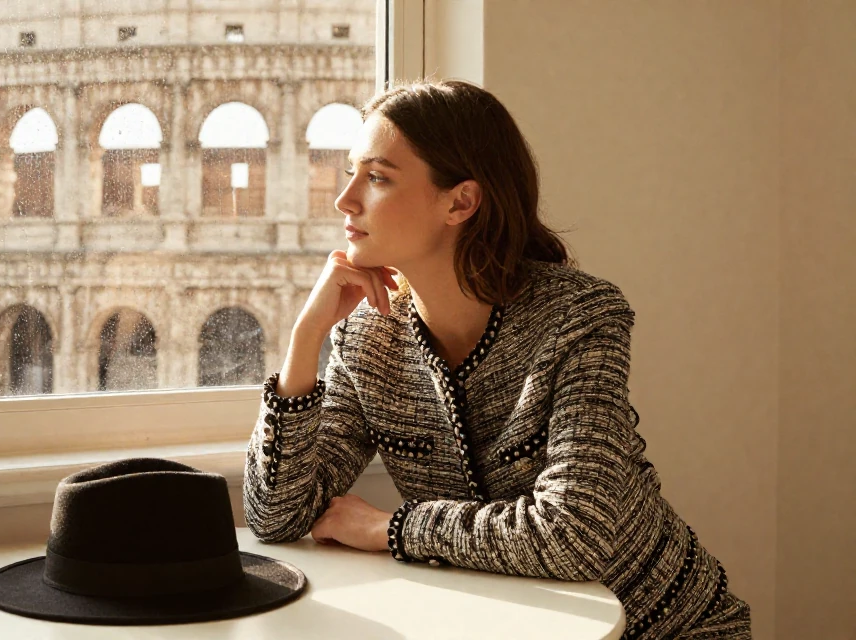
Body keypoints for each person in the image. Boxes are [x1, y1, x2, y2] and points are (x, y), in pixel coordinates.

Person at [242, 80, 751, 638]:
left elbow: (575, 536)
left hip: (669, 630)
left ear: (460, 202)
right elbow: (277, 516)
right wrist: (305, 339)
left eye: (378, 177)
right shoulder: (369, 339)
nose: (345, 200)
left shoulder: (579, 316)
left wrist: (392, 528)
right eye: (350, 173)